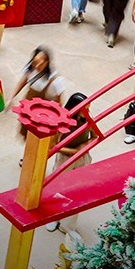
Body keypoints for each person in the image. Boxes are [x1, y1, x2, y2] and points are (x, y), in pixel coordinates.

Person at [45, 93, 91, 233]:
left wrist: (83, 146)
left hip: (82, 157)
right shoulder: (62, 121)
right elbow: (52, 146)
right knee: (58, 188)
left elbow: (95, 135)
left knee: (77, 191)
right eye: (85, 109)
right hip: (64, 159)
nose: (88, 112)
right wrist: (73, 151)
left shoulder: (87, 119)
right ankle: (53, 216)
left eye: (88, 108)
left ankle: (69, 224)